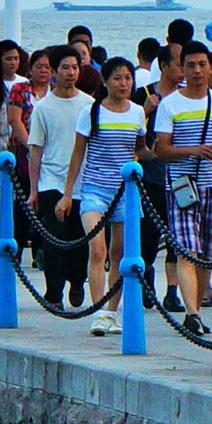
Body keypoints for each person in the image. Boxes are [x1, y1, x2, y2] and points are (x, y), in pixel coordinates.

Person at [148, 47, 212, 336]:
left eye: (202, 65)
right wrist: (193, 151)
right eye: (191, 65)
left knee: (207, 252)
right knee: (187, 250)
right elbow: (161, 150)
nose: (197, 71)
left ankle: (197, 303)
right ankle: (192, 312)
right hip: (181, 186)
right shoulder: (170, 105)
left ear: (211, 68)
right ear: (182, 69)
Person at [64, 54, 147, 337]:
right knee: (97, 249)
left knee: (120, 252)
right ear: (106, 80)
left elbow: (141, 148)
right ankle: (98, 310)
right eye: (117, 78)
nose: (123, 83)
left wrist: (164, 153)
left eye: (128, 77)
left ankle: (112, 310)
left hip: (125, 192)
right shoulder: (91, 112)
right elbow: (78, 154)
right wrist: (67, 194)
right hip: (94, 189)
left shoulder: (137, 112)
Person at [29, 46, 95, 311]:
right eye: (65, 68)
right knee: (54, 239)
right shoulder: (43, 108)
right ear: (54, 72)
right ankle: (53, 293)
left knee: (79, 241)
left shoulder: (89, 105)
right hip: (51, 182)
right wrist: (34, 189)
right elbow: (36, 149)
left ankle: (77, 281)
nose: (71, 73)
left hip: (82, 183)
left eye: (75, 68)